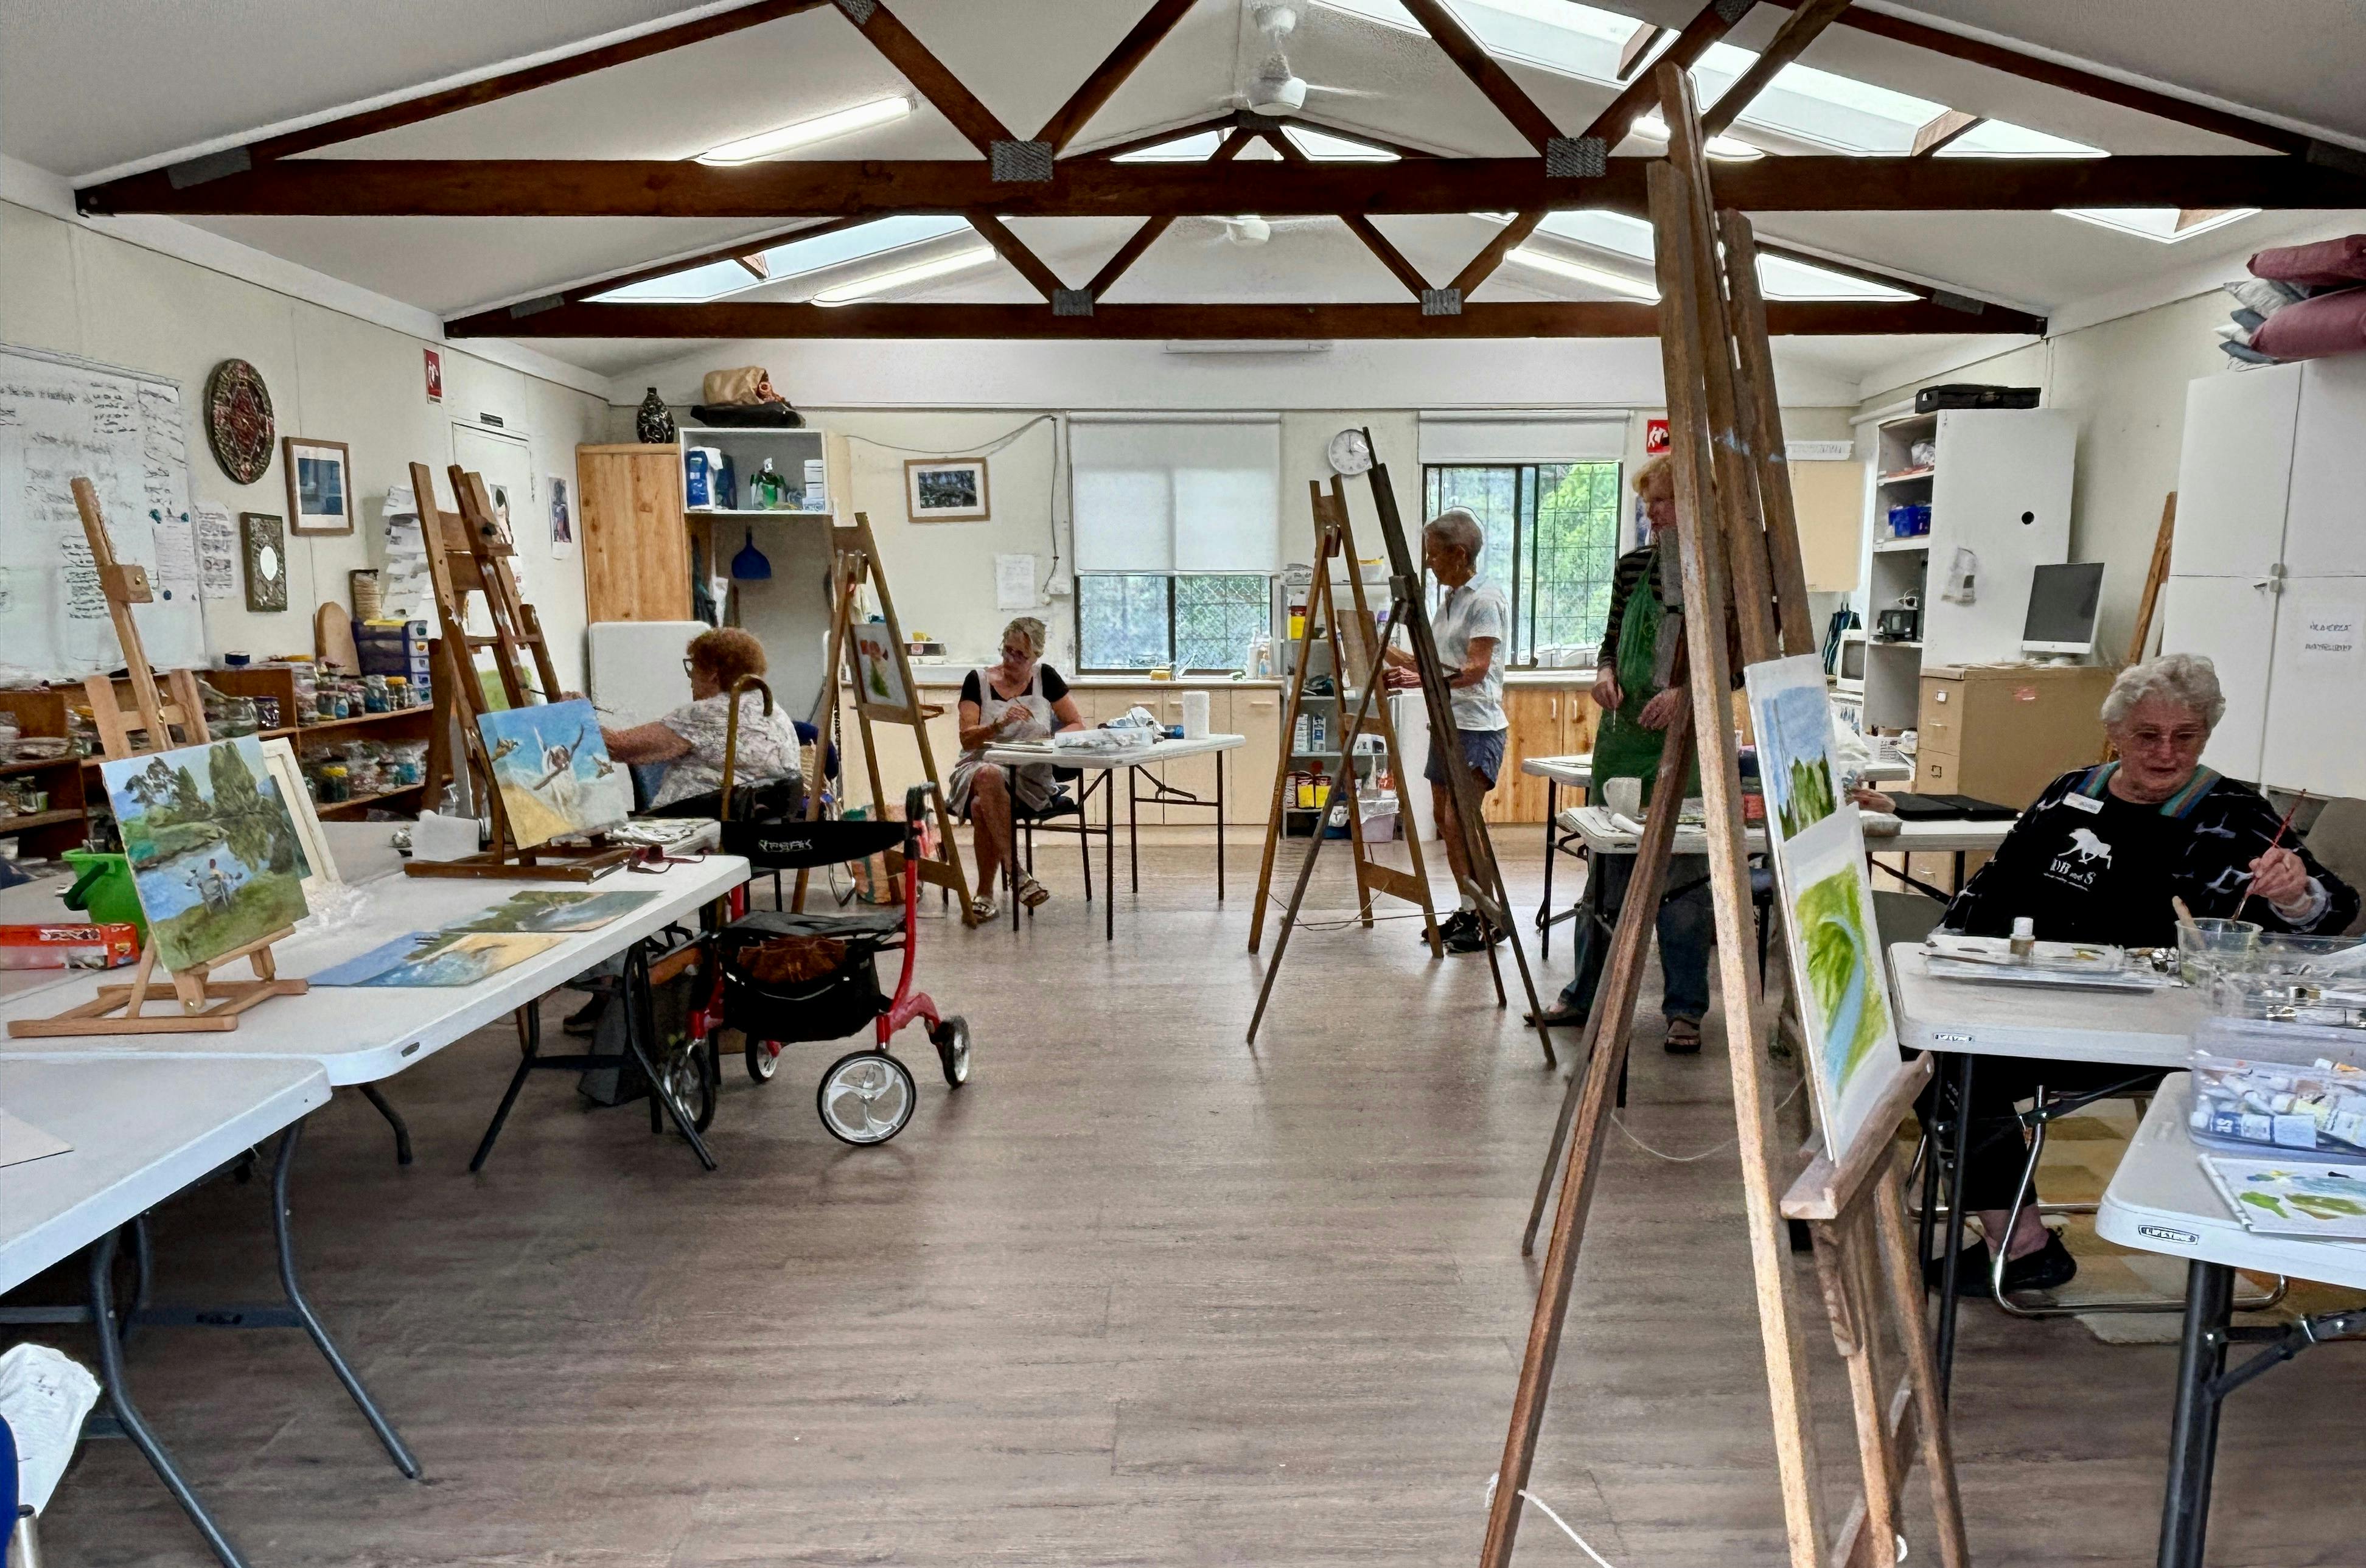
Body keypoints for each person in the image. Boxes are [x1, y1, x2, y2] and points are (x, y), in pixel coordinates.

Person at [1900, 653, 2359, 1294]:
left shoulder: (2234, 814)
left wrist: (2294, 891)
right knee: (1916, 1039)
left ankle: (2023, 1245)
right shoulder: (2071, 793)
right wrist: (1944, 954)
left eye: (2186, 737)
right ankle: (1987, 1223)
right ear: (2116, 733)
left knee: (1953, 1061)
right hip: (2029, 1002)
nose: (2167, 753)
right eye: (2148, 736)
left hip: (2146, 1030)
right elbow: (1991, 887)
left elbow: (2335, 913)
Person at [1533, 456, 1713, 1053]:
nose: (1651, 514)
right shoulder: (1634, 566)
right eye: (1648, 505)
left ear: (1693, 505)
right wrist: (1604, 674)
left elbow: (1735, 666)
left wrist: (1686, 695)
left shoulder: (1717, 575)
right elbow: (1612, 640)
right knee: (1604, 879)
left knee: (1683, 884)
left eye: (1661, 503)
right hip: (1625, 737)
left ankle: (1684, 1009)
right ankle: (1587, 994)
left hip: (1684, 745)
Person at [1384, 507, 1509, 955]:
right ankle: (1467, 906)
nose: (1430, 565)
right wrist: (1384, 651)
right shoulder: (1451, 601)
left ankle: (1488, 915)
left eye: (1434, 556)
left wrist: (1418, 678)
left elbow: (1475, 670)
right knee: (1445, 822)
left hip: (1477, 727)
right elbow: (1435, 666)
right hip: (1445, 721)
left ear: (1459, 553)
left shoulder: (1484, 600)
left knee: (1462, 822)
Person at [947, 616, 1086, 922]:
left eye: (1020, 655)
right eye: (1007, 650)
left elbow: (1076, 724)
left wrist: (1049, 741)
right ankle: (1018, 872)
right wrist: (997, 725)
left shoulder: (1045, 678)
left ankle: (984, 895)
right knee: (988, 775)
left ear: (1036, 656)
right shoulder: (979, 681)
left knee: (983, 805)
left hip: (1028, 776)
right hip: (976, 767)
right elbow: (966, 738)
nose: (1010, 659)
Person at [600, 627, 801, 812]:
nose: (691, 678)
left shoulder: (710, 713)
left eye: (693, 668)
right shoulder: (774, 711)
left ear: (713, 675)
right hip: (751, 828)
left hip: (695, 828)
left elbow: (617, 746)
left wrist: (577, 712)